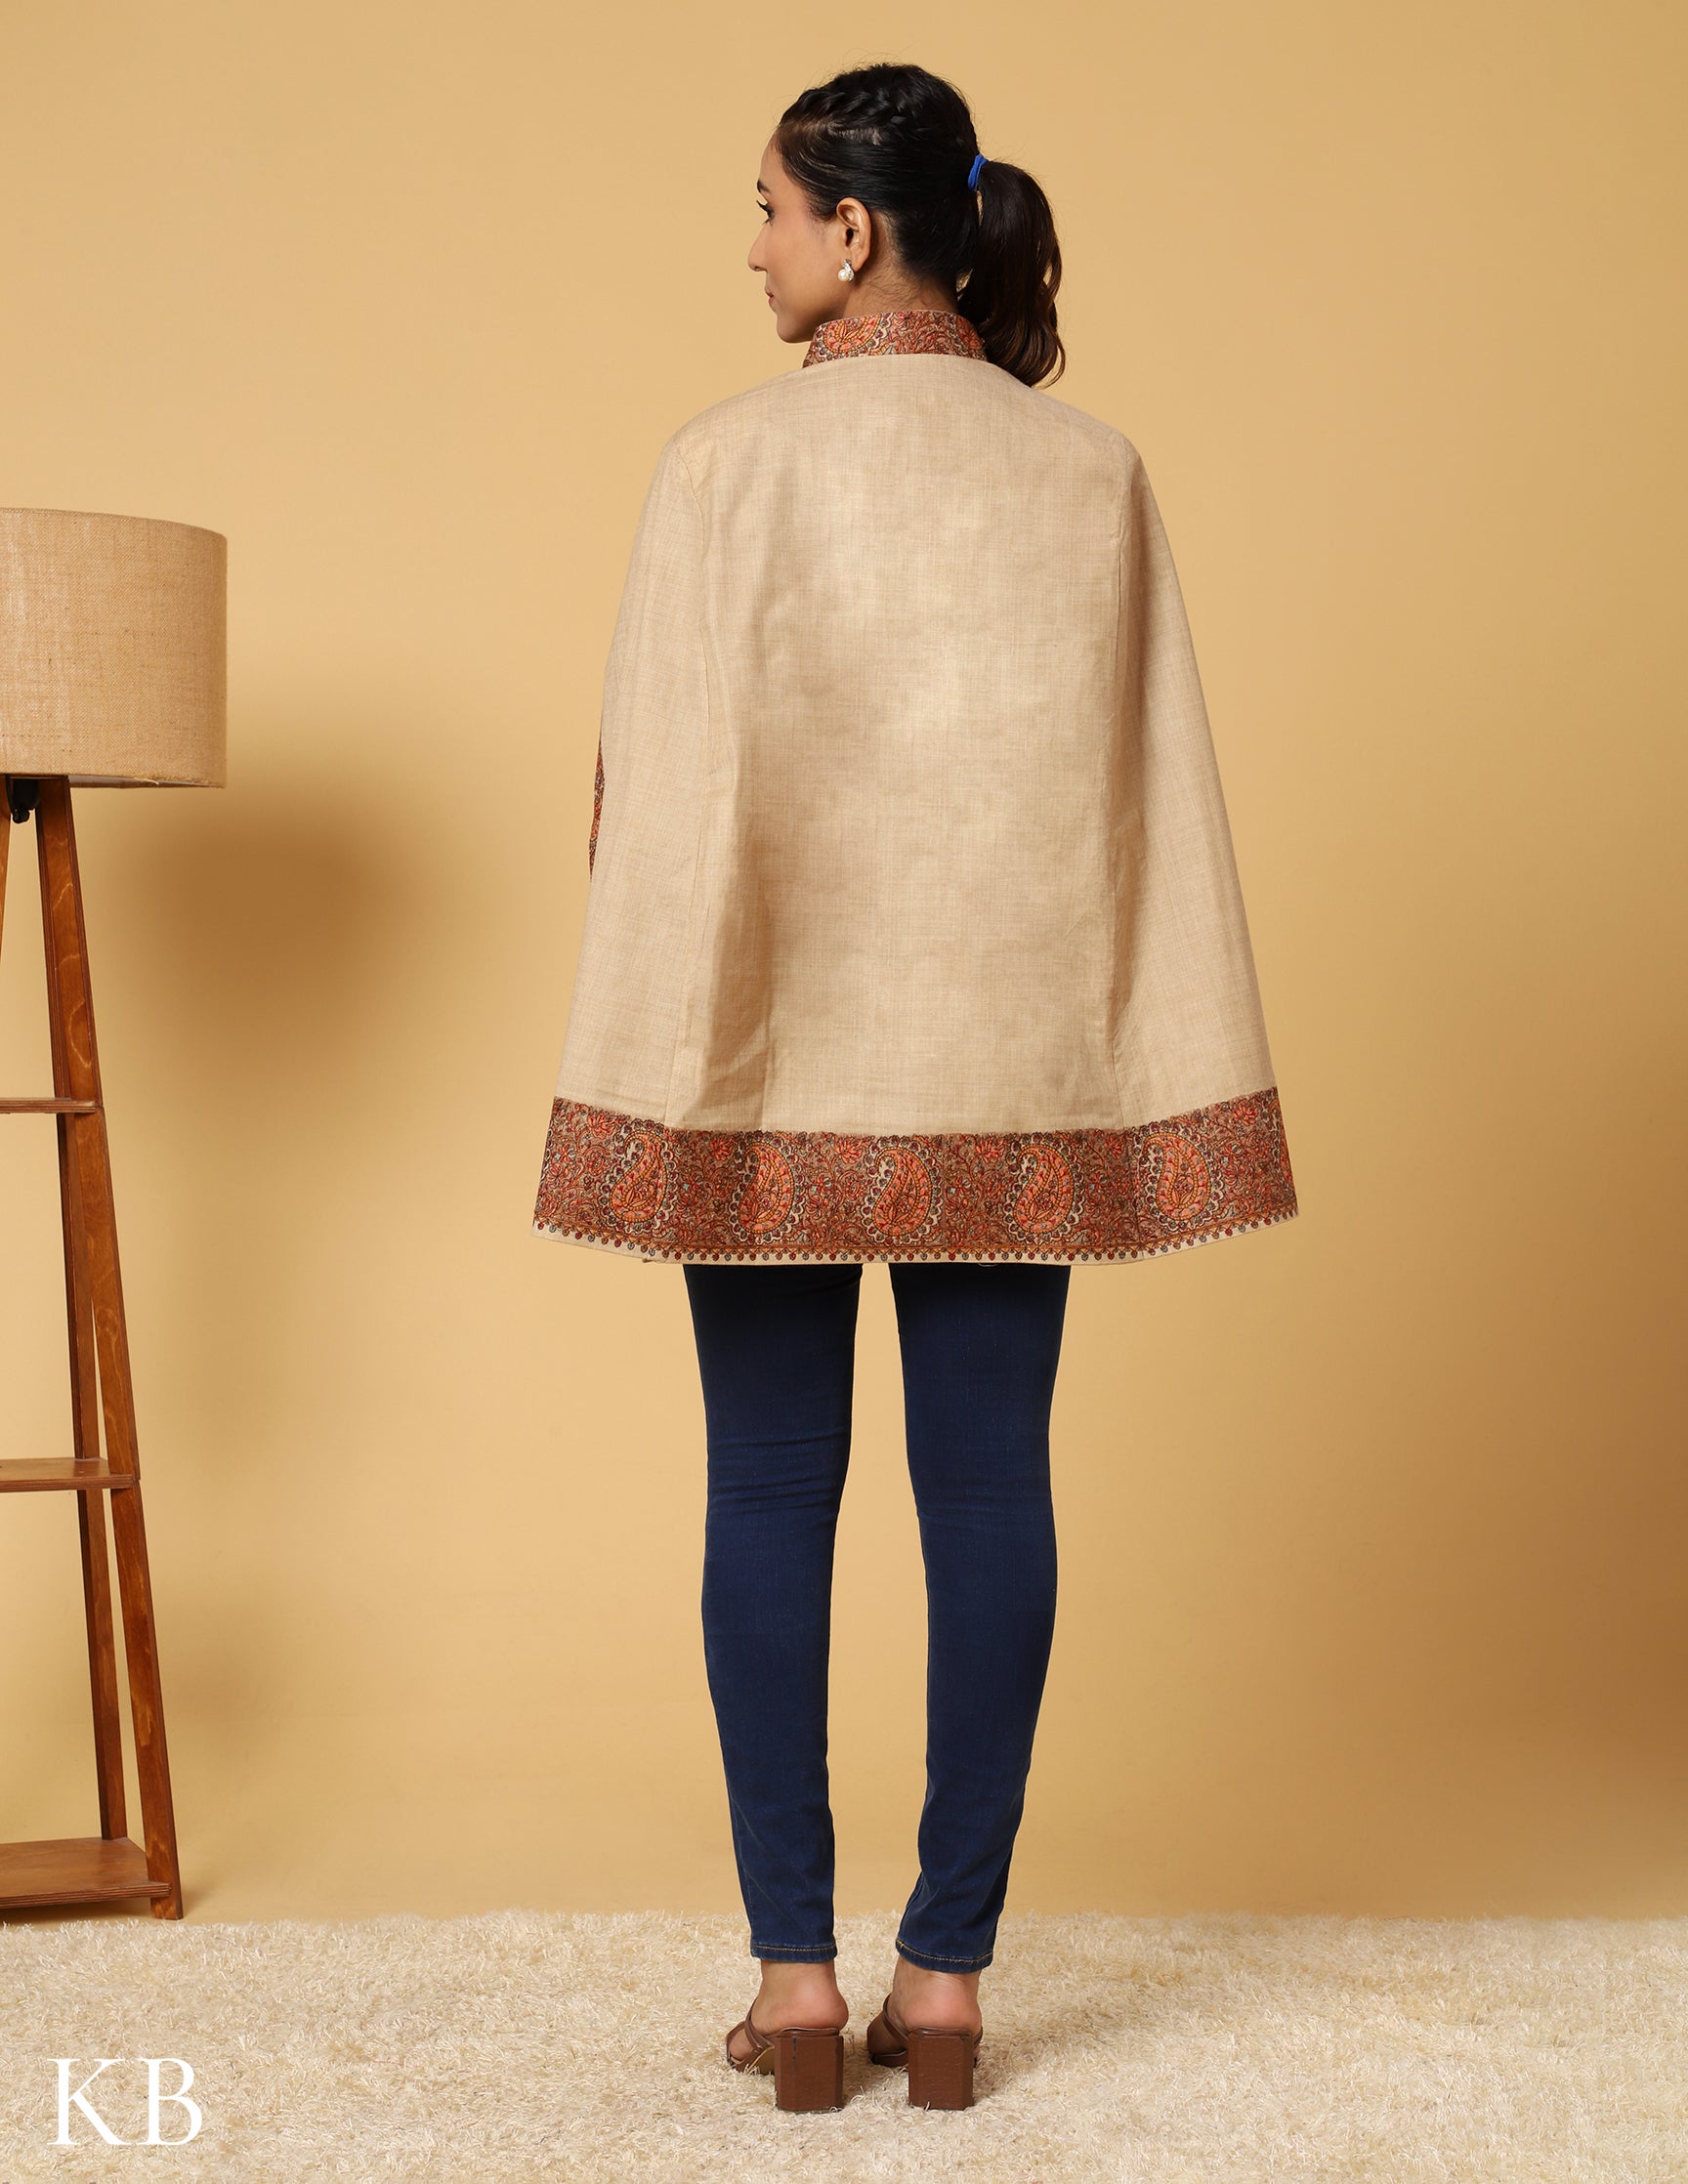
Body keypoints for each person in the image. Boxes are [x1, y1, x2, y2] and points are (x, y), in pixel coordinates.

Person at [532, 61, 1297, 2113]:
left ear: (854, 228)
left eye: (770, 209)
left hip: (763, 1058)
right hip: (1013, 1064)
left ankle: (796, 1980)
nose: (754, 247)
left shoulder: (719, 465)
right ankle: (945, 1982)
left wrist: (654, 1053)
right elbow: (1149, 794)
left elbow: (648, 799)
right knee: (991, 1494)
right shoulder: (1090, 471)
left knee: (768, 1489)